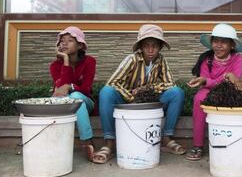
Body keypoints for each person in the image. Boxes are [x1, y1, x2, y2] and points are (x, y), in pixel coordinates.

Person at [95, 24, 185, 164]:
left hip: (148, 101)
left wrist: (147, 89)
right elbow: (112, 82)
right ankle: (109, 142)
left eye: (154, 46)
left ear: (160, 47)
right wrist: (131, 96)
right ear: (141, 47)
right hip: (126, 100)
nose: (150, 50)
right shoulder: (132, 59)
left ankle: (166, 137)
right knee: (106, 92)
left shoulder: (161, 61)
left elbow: (170, 84)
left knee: (177, 93)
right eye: (146, 46)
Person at [186, 23, 242, 161]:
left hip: (229, 92)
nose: (219, 45)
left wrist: (213, 80)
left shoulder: (238, 59)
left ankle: (233, 143)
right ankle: (198, 145)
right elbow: (206, 82)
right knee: (199, 99)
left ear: (232, 45)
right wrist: (225, 76)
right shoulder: (206, 60)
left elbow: (233, 81)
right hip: (209, 91)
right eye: (216, 41)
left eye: (224, 42)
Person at [50, 26, 96, 162]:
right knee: (63, 98)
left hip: (86, 103)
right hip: (65, 104)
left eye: (70, 40)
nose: (64, 43)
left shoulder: (89, 62)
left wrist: (70, 87)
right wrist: (65, 60)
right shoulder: (54, 66)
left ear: (80, 45)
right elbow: (60, 91)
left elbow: (86, 89)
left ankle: (87, 141)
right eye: (62, 41)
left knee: (75, 97)